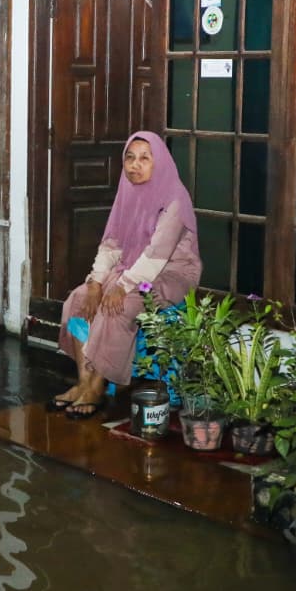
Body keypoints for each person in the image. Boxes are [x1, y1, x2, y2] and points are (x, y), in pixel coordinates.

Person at [51, 132, 202, 419]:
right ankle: (84, 382)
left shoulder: (174, 198)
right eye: (130, 158)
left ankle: (98, 385)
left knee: (117, 308)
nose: (135, 165)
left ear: (159, 162)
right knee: (78, 300)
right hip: (131, 269)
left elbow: (156, 255)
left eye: (145, 158)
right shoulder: (128, 192)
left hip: (168, 274)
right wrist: (95, 282)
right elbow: (112, 244)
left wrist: (121, 287)